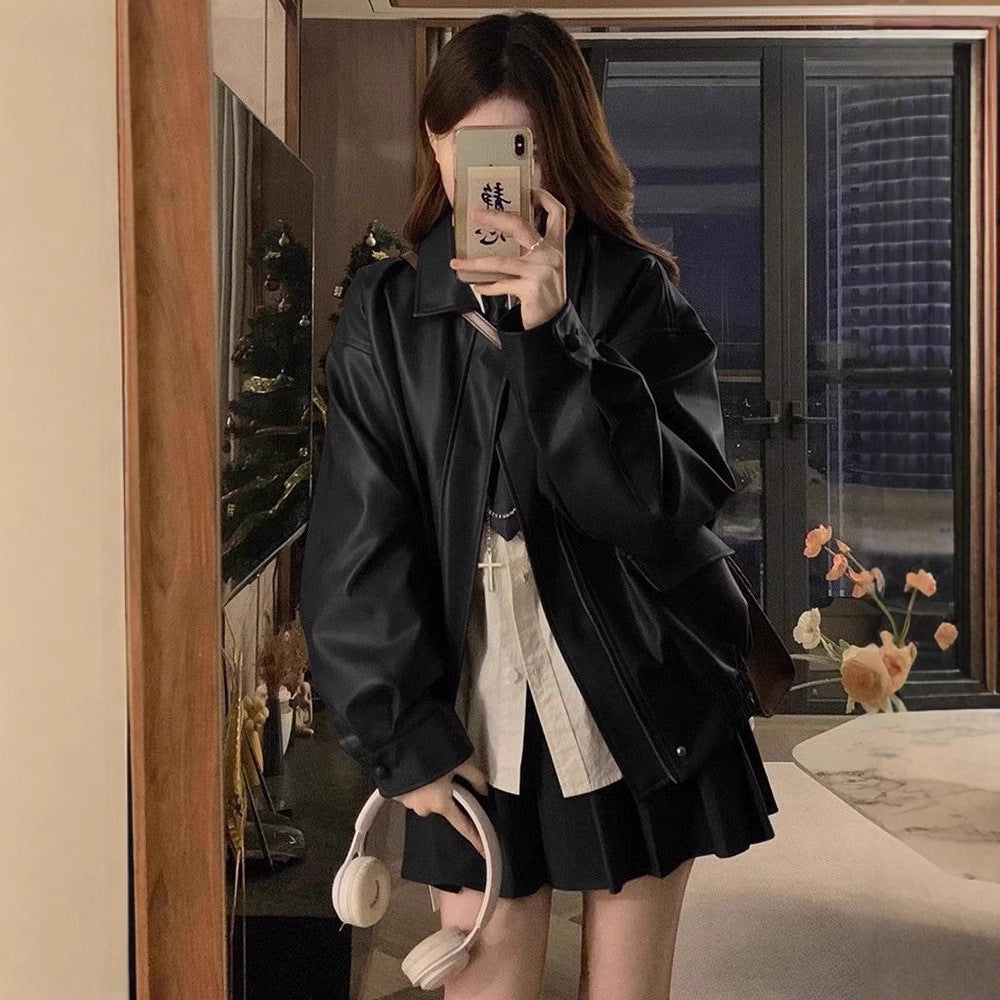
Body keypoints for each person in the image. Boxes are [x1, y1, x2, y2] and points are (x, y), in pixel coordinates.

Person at [300, 10, 778, 1000]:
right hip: (472, 707)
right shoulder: (387, 316)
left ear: (555, 152)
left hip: (636, 697)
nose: (487, 177)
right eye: (464, 142)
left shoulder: (633, 292)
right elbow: (358, 539)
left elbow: (654, 508)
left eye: (512, 148)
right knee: (487, 980)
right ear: (434, 144)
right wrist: (399, 733)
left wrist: (552, 336)